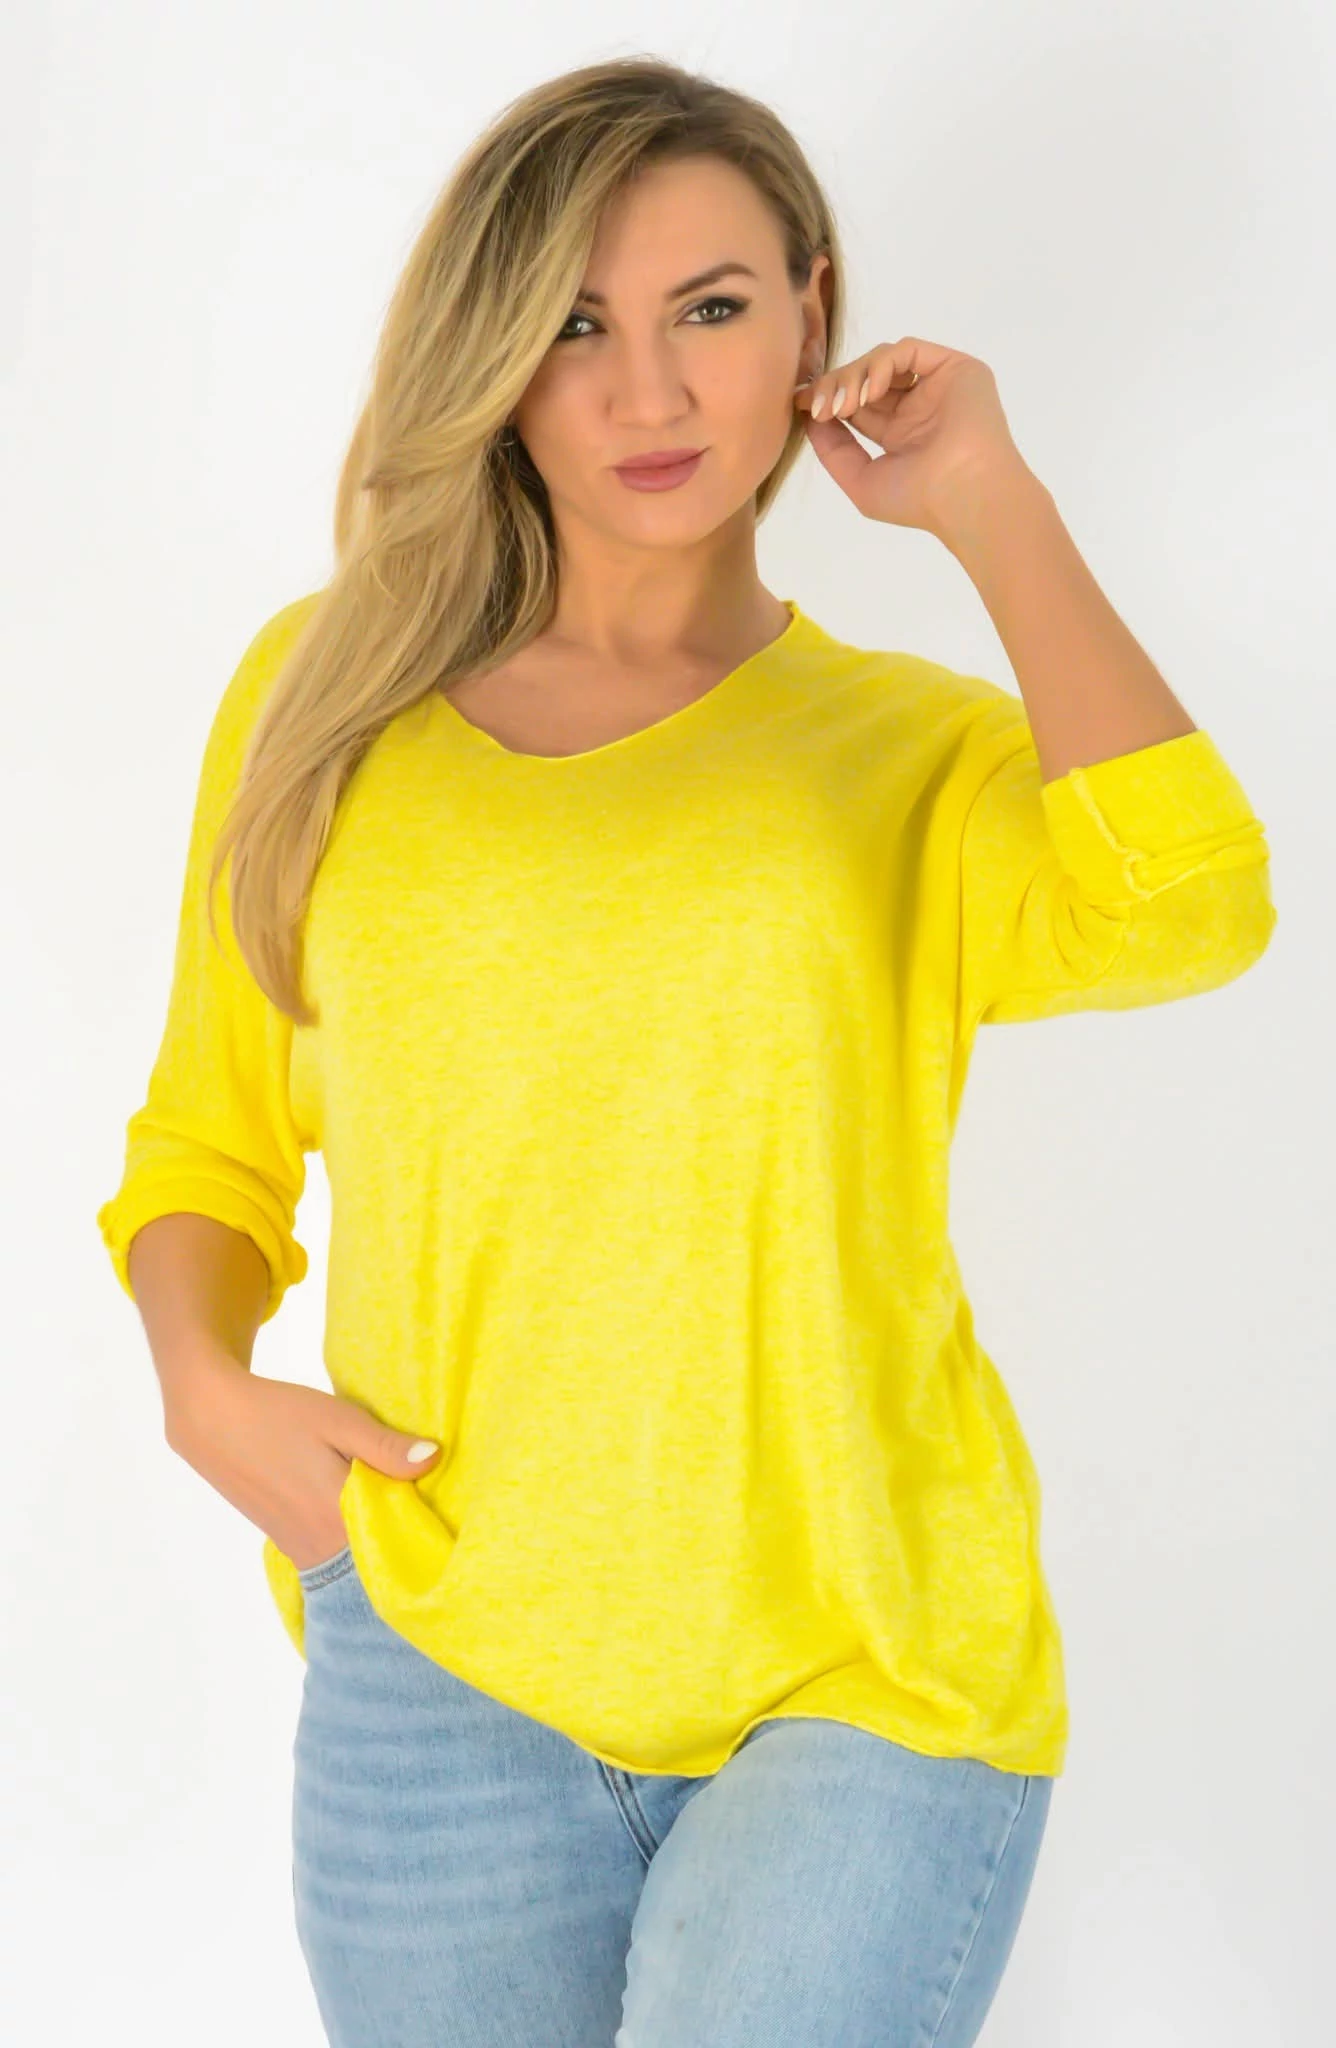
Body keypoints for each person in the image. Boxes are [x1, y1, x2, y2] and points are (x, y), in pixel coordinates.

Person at [95, 55, 1276, 2048]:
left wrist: (988, 502)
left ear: (811, 314)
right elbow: (207, 1139)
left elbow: (1194, 904)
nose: (646, 394)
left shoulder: (903, 757)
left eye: (709, 310)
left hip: (860, 1664)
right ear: (493, 355)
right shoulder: (320, 701)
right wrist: (199, 1387)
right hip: (440, 1658)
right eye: (573, 325)